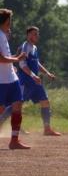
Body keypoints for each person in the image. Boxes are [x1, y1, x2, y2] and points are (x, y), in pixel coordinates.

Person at [17, 26, 61, 136]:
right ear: (28, 35)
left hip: (35, 81)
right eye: (34, 34)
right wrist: (32, 75)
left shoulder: (34, 47)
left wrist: (47, 73)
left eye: (37, 34)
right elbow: (22, 65)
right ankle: (13, 126)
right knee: (17, 105)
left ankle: (47, 129)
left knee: (45, 102)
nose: (37, 36)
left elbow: (37, 63)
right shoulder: (25, 46)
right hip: (26, 81)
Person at [0, 9, 30, 149]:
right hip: (1, 80)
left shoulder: (3, 35)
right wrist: (17, 59)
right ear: (4, 22)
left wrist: (13, 65)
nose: (10, 24)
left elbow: (5, 57)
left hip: (11, 78)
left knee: (17, 106)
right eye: (9, 21)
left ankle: (14, 141)